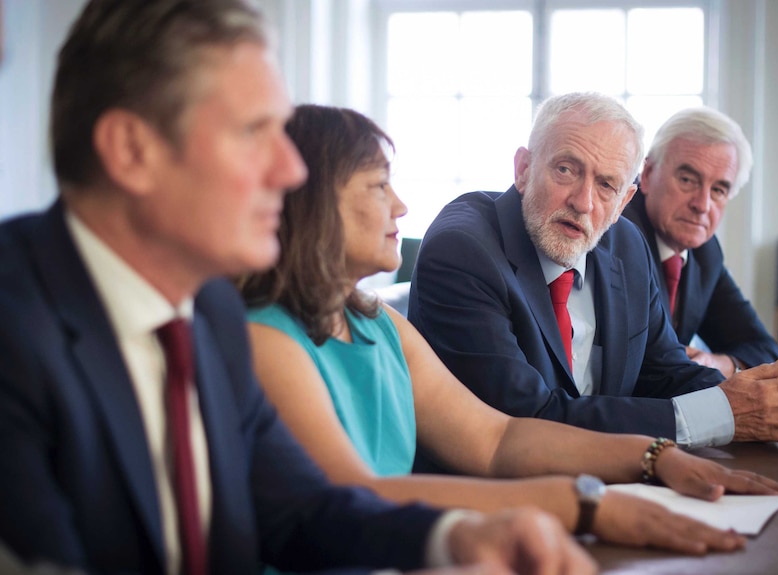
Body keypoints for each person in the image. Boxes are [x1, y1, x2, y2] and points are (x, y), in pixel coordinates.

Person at [0, 2, 596, 574]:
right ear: (132, 151)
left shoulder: (206, 310)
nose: (290, 172)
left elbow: (300, 510)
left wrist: (456, 538)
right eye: (255, 132)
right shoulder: (13, 328)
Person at [238, 104, 778, 558]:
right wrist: (585, 506)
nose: (403, 205)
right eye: (378, 186)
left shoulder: (377, 321)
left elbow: (498, 438)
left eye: (606, 184)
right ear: (312, 202)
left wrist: (654, 454)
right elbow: (351, 498)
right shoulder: (267, 338)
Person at [407, 92, 778, 451]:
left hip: (617, 474)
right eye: (566, 169)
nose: (583, 201)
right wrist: (724, 414)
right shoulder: (463, 250)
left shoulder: (626, 245)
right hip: (498, 501)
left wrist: (762, 402)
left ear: (624, 198)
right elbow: (526, 418)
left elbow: (662, 369)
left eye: (606, 184)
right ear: (523, 170)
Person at [622, 107, 778, 378]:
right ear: (647, 175)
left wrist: (722, 363)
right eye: (687, 180)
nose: (702, 205)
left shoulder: (705, 252)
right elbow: (649, 370)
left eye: (719, 190)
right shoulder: (619, 236)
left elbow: (765, 349)